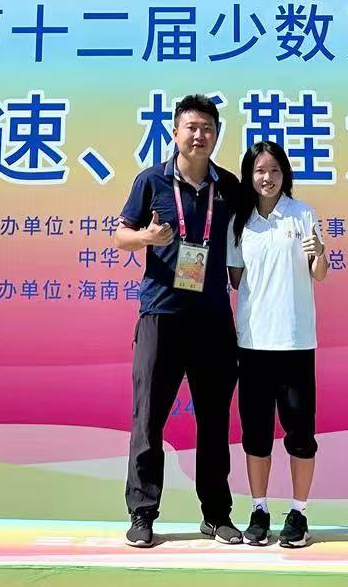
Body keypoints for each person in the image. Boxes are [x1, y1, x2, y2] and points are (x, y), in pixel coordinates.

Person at [114, 94, 244, 549]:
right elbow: (120, 235)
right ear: (174, 132)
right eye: (191, 127)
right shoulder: (150, 180)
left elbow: (251, 232)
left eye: (207, 128)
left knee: (214, 421)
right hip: (161, 316)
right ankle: (142, 513)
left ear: (217, 135)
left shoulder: (228, 186)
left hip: (213, 320)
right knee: (148, 419)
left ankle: (217, 515)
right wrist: (147, 236)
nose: (199, 135)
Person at [227, 140, 328, 549]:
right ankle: (259, 509)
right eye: (258, 171)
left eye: (273, 170)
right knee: (255, 433)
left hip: (295, 341)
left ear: (284, 174)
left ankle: (299, 512)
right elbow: (236, 278)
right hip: (252, 342)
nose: (266, 177)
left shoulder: (302, 214)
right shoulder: (240, 222)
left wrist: (319, 254)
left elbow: (320, 272)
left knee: (300, 433)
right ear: (248, 176)